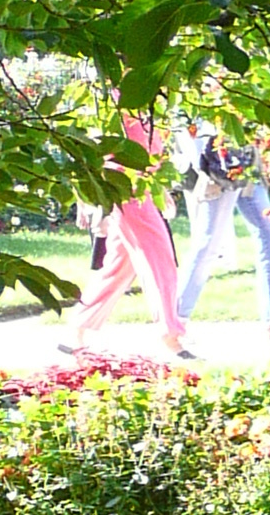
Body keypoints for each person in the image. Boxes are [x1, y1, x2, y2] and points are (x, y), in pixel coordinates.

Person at [60, 114, 197, 363]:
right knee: (159, 260)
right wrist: (85, 197)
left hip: (138, 187)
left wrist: (158, 185)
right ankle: (171, 335)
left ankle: (78, 329)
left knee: (119, 266)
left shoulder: (145, 96)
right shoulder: (114, 97)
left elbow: (148, 146)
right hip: (126, 190)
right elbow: (89, 149)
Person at [173, 121, 270, 340]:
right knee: (209, 244)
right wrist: (206, 167)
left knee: (269, 234)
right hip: (220, 168)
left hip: (247, 163)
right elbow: (190, 127)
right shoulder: (202, 93)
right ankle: (175, 322)